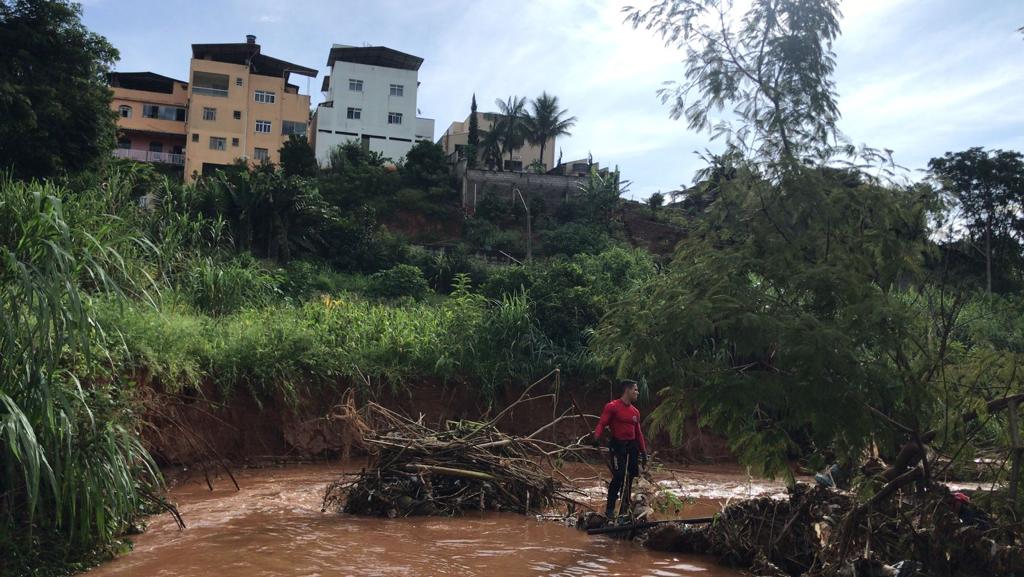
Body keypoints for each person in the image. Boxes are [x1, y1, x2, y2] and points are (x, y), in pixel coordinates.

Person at [593, 380, 648, 518]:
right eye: (635, 390)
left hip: (632, 447)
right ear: (627, 390)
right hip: (618, 446)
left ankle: (624, 509)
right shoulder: (612, 407)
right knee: (619, 476)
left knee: (630, 477)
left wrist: (644, 452)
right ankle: (610, 510)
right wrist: (596, 438)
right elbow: (602, 423)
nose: (637, 392)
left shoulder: (635, 412)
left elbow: (639, 433)